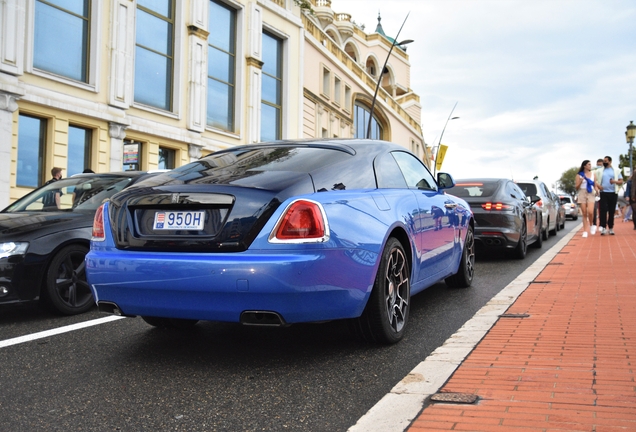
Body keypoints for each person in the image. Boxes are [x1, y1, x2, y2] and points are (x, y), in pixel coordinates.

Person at [594, 155, 623, 235]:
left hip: (613, 193)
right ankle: (603, 227)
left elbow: (621, 181)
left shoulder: (616, 171)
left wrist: (614, 181)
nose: (604, 162)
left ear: (610, 161)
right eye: (604, 161)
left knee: (611, 210)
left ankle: (610, 227)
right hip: (603, 193)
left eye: (606, 161)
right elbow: (595, 180)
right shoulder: (600, 171)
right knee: (603, 210)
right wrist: (599, 186)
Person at [575, 160, 597, 238]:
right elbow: (576, 187)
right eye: (588, 164)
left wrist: (597, 190)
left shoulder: (593, 174)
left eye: (590, 164)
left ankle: (591, 225)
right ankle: (585, 230)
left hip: (590, 192)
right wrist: (581, 181)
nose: (590, 166)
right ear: (584, 166)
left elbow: (595, 184)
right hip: (582, 192)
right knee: (584, 213)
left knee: (590, 212)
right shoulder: (579, 175)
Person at [592, 158, 603, 228]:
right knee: (594, 209)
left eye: (600, 164)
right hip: (595, 191)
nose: (599, 166)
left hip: (604, 192)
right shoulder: (593, 171)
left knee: (602, 209)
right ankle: (594, 223)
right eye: (598, 164)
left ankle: (602, 223)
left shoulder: (605, 172)